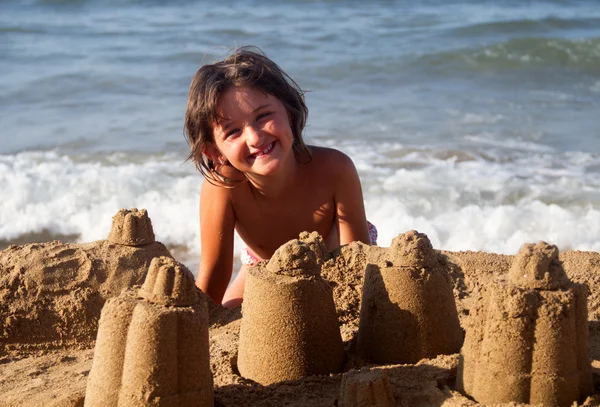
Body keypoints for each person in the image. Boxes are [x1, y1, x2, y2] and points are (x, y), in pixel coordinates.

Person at [184, 46, 377, 308]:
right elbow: (215, 274)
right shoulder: (224, 185)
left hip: (334, 263)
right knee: (230, 313)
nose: (254, 138)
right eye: (232, 132)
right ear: (215, 151)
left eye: (263, 116)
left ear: (289, 111)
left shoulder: (335, 169)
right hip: (263, 264)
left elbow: (357, 263)